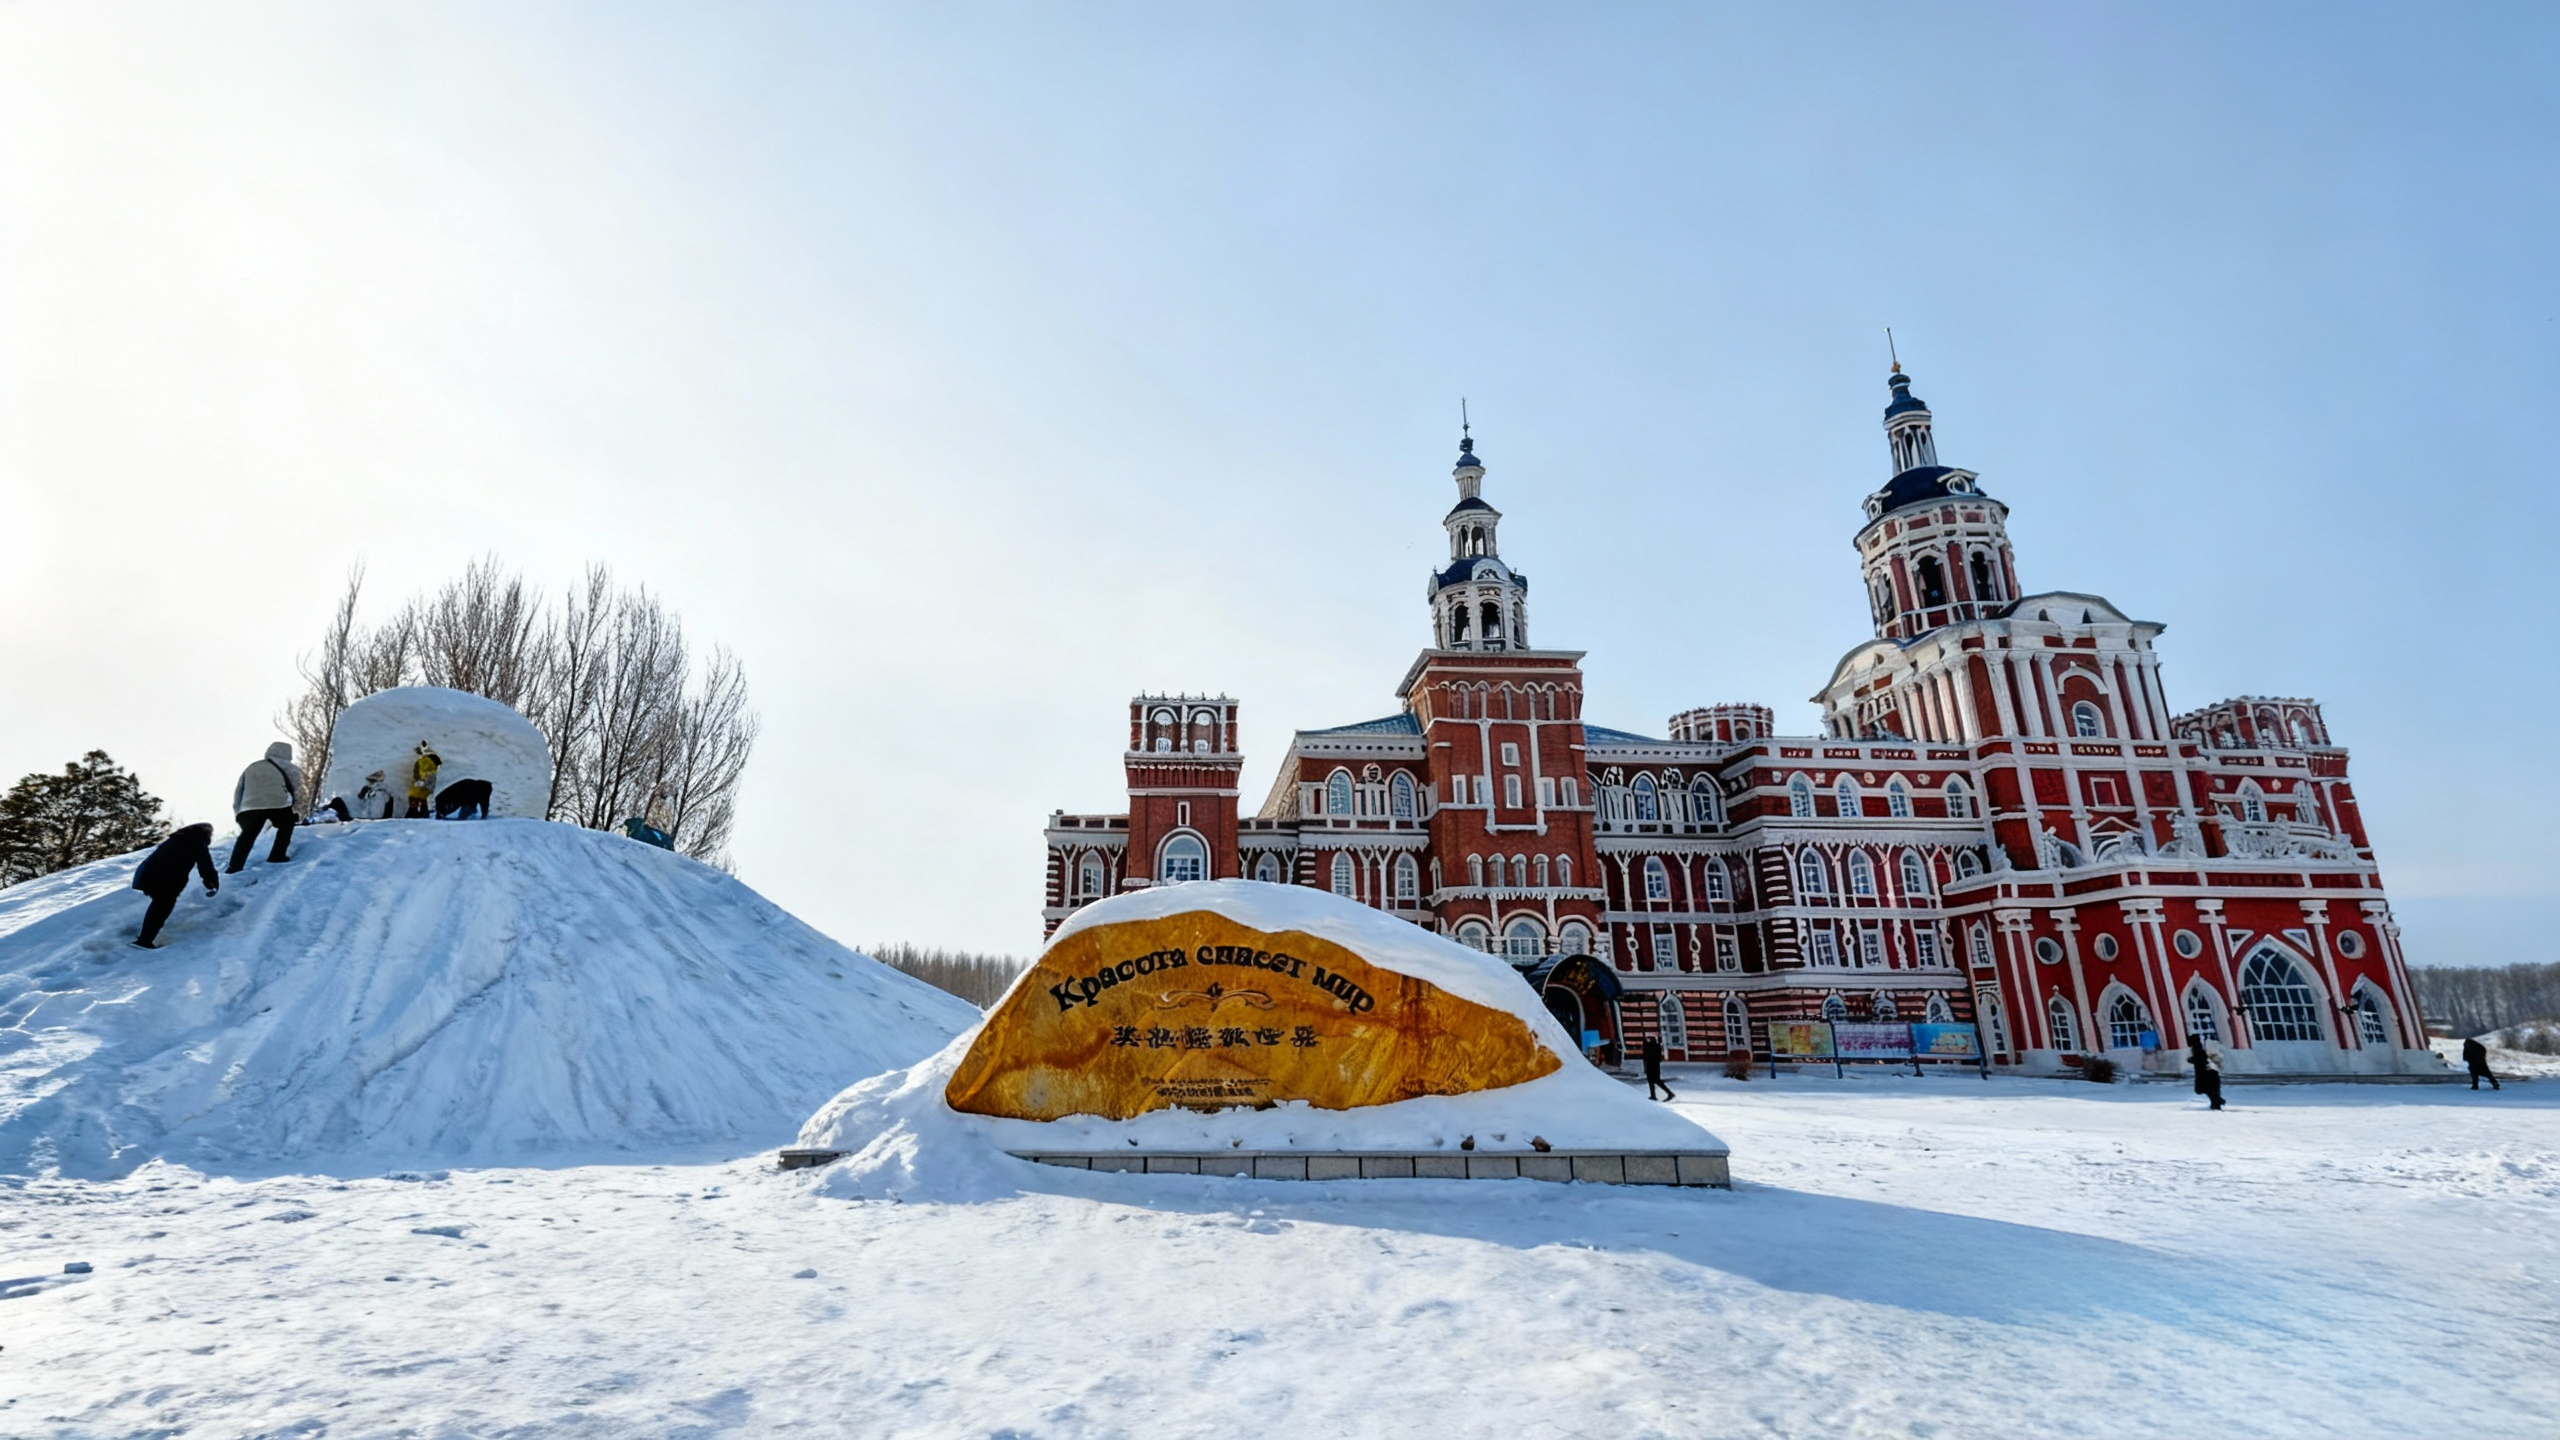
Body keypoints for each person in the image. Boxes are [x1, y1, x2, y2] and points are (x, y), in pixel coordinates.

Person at [131, 823, 218, 948]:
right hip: (166, 879)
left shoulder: (175, 839)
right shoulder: (198, 841)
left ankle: (145, 938)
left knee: (159, 905)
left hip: (148, 875)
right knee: (162, 906)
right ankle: (144, 941)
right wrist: (213, 884)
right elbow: (206, 866)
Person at [227, 741, 304, 874]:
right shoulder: (290, 768)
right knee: (286, 825)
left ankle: (234, 867)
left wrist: (238, 812)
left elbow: (239, 790)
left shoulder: (252, 767)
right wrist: (293, 807)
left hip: (250, 806)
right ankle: (277, 855)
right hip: (277, 803)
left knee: (247, 836)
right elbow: (295, 787)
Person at [2187, 1033, 2225, 1111]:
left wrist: (2191, 1060)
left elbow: (2200, 1057)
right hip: (2208, 1071)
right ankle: (2216, 1102)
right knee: (2209, 1089)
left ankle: (2217, 1101)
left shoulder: (2197, 1047)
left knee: (2204, 1088)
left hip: (2204, 1072)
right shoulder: (2199, 1047)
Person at [405, 743, 440, 819]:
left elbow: (421, 774)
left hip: (423, 785)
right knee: (421, 799)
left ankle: (417, 813)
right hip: (424, 785)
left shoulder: (423, 761)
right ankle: (422, 813)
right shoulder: (424, 762)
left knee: (416, 797)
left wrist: (420, 780)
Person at [1642, 1034, 1675, 1102]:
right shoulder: (1658, 1046)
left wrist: (1645, 1066)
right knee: (1655, 1080)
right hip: (1656, 1065)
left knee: (1652, 1080)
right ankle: (1655, 1095)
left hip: (1650, 1065)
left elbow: (1645, 1056)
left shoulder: (1649, 1046)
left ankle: (1656, 1095)